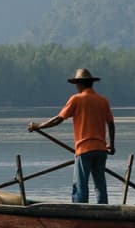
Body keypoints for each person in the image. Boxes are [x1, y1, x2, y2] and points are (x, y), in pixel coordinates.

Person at [28, 68, 115, 204]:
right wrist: (112, 145)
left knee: (80, 185)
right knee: (100, 185)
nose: (75, 87)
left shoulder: (76, 99)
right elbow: (111, 123)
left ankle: (80, 210)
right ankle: (104, 210)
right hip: (101, 149)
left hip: (84, 149)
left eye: (76, 84)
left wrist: (39, 126)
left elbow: (59, 119)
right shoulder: (103, 101)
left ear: (80, 84)